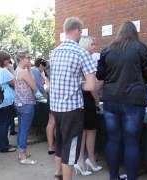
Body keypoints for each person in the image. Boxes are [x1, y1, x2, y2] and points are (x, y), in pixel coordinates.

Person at [96, 21, 147, 180]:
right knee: (131, 143)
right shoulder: (141, 48)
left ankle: (113, 177)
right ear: (134, 33)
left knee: (113, 140)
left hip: (111, 100)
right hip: (134, 101)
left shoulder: (107, 50)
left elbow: (100, 75)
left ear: (119, 33)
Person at [50, 17, 96, 180]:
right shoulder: (81, 53)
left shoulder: (54, 52)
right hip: (72, 108)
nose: (81, 34)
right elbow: (91, 86)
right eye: (81, 31)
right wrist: (79, 84)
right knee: (70, 148)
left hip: (56, 106)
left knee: (61, 142)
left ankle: (58, 174)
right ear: (76, 30)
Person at [74, 36, 102, 176]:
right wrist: (97, 100)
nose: (94, 46)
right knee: (87, 131)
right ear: (85, 45)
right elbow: (92, 87)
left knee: (89, 131)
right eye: (92, 44)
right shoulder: (86, 59)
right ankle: (81, 161)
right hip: (87, 99)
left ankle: (88, 160)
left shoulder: (80, 58)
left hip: (81, 99)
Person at [15, 49, 37, 165]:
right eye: (28, 58)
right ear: (21, 59)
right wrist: (30, 70)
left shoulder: (17, 70)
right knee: (24, 130)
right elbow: (35, 87)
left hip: (19, 103)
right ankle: (23, 155)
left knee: (21, 129)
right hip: (26, 104)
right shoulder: (24, 72)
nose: (30, 60)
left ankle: (21, 152)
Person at [0, 50, 16, 153]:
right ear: (3, 60)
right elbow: (15, 83)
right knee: (4, 124)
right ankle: (4, 146)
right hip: (5, 100)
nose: (9, 62)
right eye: (8, 60)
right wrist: (11, 69)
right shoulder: (3, 71)